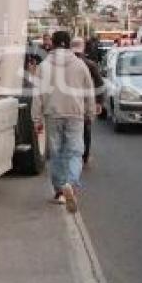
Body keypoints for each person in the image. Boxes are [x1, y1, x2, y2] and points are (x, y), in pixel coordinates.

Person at [31, 30, 96, 213]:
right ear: (68, 44)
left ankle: (60, 191)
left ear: (52, 43)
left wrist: (36, 118)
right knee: (75, 152)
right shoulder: (80, 64)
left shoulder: (43, 66)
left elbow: (37, 95)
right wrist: (90, 113)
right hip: (75, 114)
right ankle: (71, 183)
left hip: (53, 113)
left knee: (56, 153)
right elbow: (89, 91)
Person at [71, 37, 103, 166]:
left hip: (68, 103)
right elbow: (99, 83)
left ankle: (73, 154)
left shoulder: (63, 64)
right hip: (85, 102)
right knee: (86, 128)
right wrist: (98, 102)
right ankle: (85, 155)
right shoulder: (89, 64)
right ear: (83, 47)